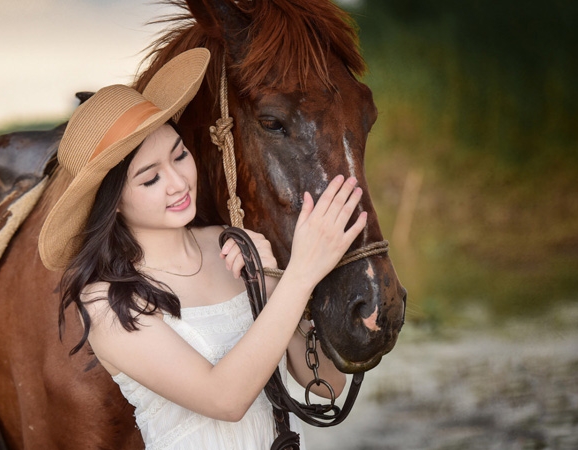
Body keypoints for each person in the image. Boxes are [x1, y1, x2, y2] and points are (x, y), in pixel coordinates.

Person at [38, 48, 364, 450]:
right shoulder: (109, 301)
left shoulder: (231, 243)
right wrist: (300, 273)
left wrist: (272, 282)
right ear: (113, 202)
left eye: (179, 155)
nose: (178, 182)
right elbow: (224, 400)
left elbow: (328, 383)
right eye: (150, 178)